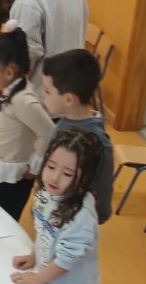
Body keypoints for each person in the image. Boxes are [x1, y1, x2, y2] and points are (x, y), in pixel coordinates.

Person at [11, 129, 102, 284]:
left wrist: (38, 278)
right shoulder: (47, 192)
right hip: (49, 279)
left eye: (68, 174)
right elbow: (43, 228)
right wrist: (34, 255)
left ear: (85, 178)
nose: (54, 177)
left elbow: (66, 259)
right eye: (51, 166)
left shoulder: (81, 215)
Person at [0, 24, 54, 220]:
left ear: (9, 72)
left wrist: (35, 166)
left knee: (3, 222)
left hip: (13, 177)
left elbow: (49, 131)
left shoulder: (23, 99)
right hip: (2, 171)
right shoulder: (12, 89)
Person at [42, 49, 114, 224]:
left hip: (75, 223)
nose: (43, 96)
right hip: (53, 210)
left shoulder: (99, 142)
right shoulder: (64, 122)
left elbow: (101, 196)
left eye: (47, 91)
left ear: (68, 99)